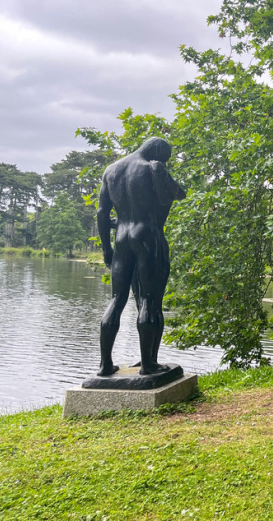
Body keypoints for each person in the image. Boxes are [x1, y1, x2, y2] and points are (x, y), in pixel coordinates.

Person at [96, 137, 185, 376]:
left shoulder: (111, 170)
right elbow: (175, 196)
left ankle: (105, 365)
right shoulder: (153, 167)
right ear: (158, 153)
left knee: (116, 300)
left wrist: (107, 248)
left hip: (122, 238)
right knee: (149, 301)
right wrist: (161, 173)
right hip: (147, 237)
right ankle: (149, 365)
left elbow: (102, 213)